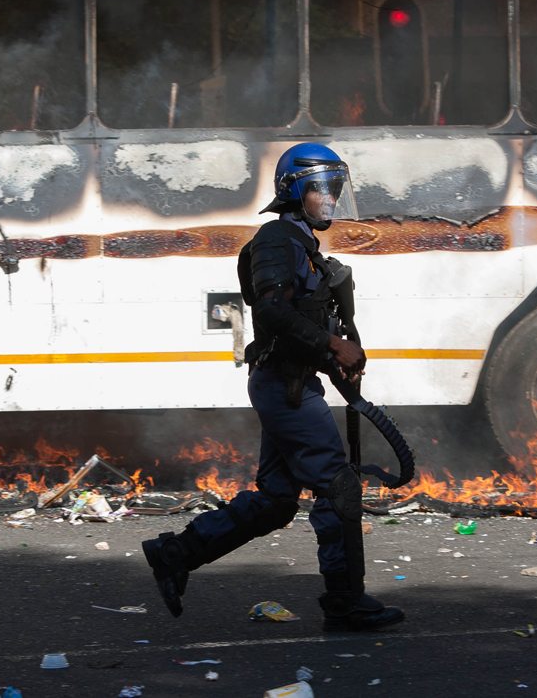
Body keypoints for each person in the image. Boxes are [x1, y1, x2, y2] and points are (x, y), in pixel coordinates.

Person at [142, 142, 405, 632]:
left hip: (292, 382)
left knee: (278, 500)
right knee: (338, 487)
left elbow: (299, 320)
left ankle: (175, 554)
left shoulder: (302, 245)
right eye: (323, 189)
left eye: (336, 190)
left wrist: (335, 357)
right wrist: (333, 345)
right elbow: (271, 310)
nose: (331, 199)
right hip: (283, 387)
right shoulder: (276, 240)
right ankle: (345, 603)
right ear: (294, 191)